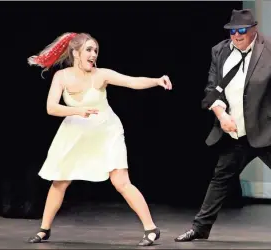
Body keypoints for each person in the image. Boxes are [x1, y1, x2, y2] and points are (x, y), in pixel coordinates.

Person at [174, 9, 271, 248]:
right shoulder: (220, 51)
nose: (236, 35)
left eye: (241, 31)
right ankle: (200, 228)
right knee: (220, 179)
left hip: (270, 131)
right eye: (232, 31)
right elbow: (212, 89)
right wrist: (221, 115)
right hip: (236, 133)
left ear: (253, 30)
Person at [26, 32, 172, 246]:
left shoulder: (101, 75)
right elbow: (51, 108)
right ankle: (44, 229)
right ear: (76, 53)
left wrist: (157, 80)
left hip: (107, 132)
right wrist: (78, 111)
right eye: (88, 50)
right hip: (75, 133)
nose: (93, 54)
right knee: (60, 180)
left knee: (121, 181)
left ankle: (151, 228)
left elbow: (131, 82)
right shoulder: (62, 76)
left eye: (95, 50)